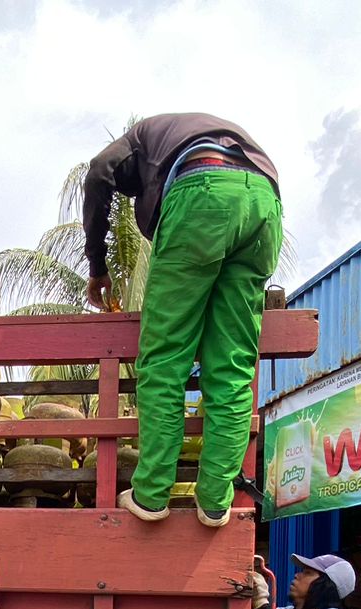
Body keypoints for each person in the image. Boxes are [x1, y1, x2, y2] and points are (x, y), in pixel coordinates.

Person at [81, 113, 283, 529]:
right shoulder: (186, 132)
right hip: (265, 205)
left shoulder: (140, 136)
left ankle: (152, 494)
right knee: (231, 368)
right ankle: (215, 502)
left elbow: (99, 172)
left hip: (201, 195)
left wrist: (97, 265)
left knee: (164, 359)